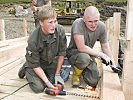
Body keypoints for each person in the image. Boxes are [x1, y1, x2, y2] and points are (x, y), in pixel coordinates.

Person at [18, 6, 67, 93]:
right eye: (50, 22)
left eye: (55, 21)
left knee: (57, 82)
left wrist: (57, 73)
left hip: (50, 61)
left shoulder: (60, 31)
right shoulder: (33, 40)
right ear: (41, 22)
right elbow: (36, 66)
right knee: (39, 88)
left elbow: (62, 53)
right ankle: (26, 68)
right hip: (36, 64)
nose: (53, 25)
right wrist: (47, 83)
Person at [66, 6, 116, 88]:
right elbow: (81, 47)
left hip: (89, 54)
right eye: (90, 21)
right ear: (84, 19)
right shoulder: (78, 24)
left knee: (94, 81)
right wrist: (100, 54)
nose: (93, 25)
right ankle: (76, 74)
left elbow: (105, 47)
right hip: (75, 53)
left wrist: (113, 64)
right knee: (84, 58)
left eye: (96, 21)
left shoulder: (101, 27)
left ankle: (82, 69)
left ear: (99, 18)